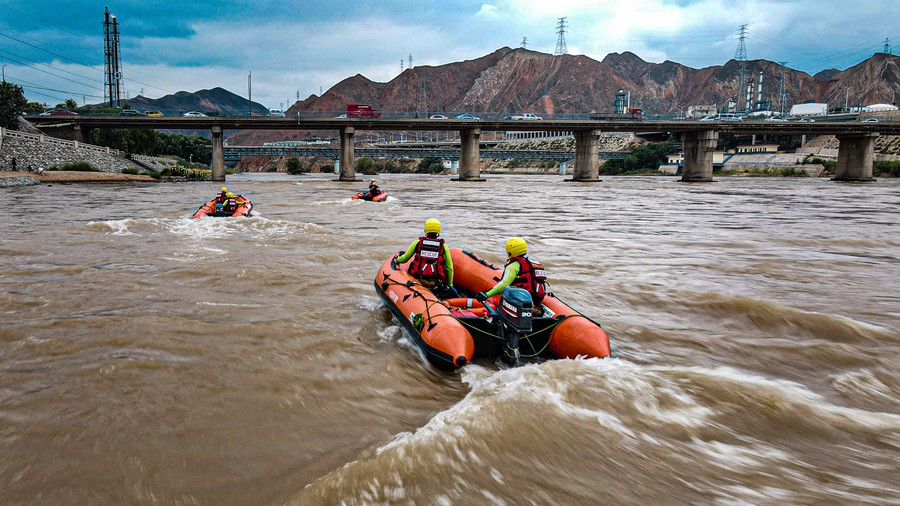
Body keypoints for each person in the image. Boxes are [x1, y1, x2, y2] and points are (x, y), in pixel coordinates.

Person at [476, 237, 548, 310]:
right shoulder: (535, 264)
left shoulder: (513, 266)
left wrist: (486, 294)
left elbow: (503, 285)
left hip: (520, 301)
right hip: (535, 301)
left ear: (510, 252)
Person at [393, 218, 456, 297]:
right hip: (435, 284)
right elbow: (449, 268)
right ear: (438, 230)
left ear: (426, 229)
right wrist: (449, 284)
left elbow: (404, 259)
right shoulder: (443, 247)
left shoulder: (418, 243)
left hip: (418, 281)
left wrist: (396, 260)